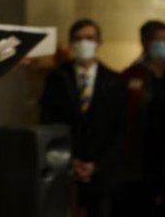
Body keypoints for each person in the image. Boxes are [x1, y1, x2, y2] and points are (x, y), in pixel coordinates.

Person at [39, 18, 125, 217]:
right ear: (70, 43)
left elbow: (119, 129)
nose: (83, 43)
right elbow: (48, 122)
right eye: (78, 39)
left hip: (101, 170)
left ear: (99, 42)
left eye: (89, 38)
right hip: (64, 164)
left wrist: (97, 165)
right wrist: (70, 160)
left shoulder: (114, 81)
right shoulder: (57, 79)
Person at [121, 20, 165, 216]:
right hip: (139, 154)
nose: (161, 43)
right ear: (146, 43)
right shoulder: (131, 75)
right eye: (156, 39)